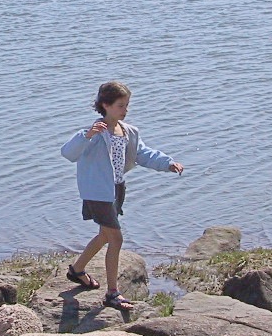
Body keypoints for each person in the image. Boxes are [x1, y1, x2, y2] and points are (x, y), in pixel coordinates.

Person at [61, 81, 183, 311]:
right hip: (97, 193)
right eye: (120, 105)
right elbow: (68, 153)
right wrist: (86, 136)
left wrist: (168, 163)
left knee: (105, 236)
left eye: (126, 105)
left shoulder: (128, 131)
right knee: (116, 238)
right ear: (105, 105)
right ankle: (112, 293)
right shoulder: (94, 133)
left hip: (117, 189)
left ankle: (77, 270)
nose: (125, 110)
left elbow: (143, 154)